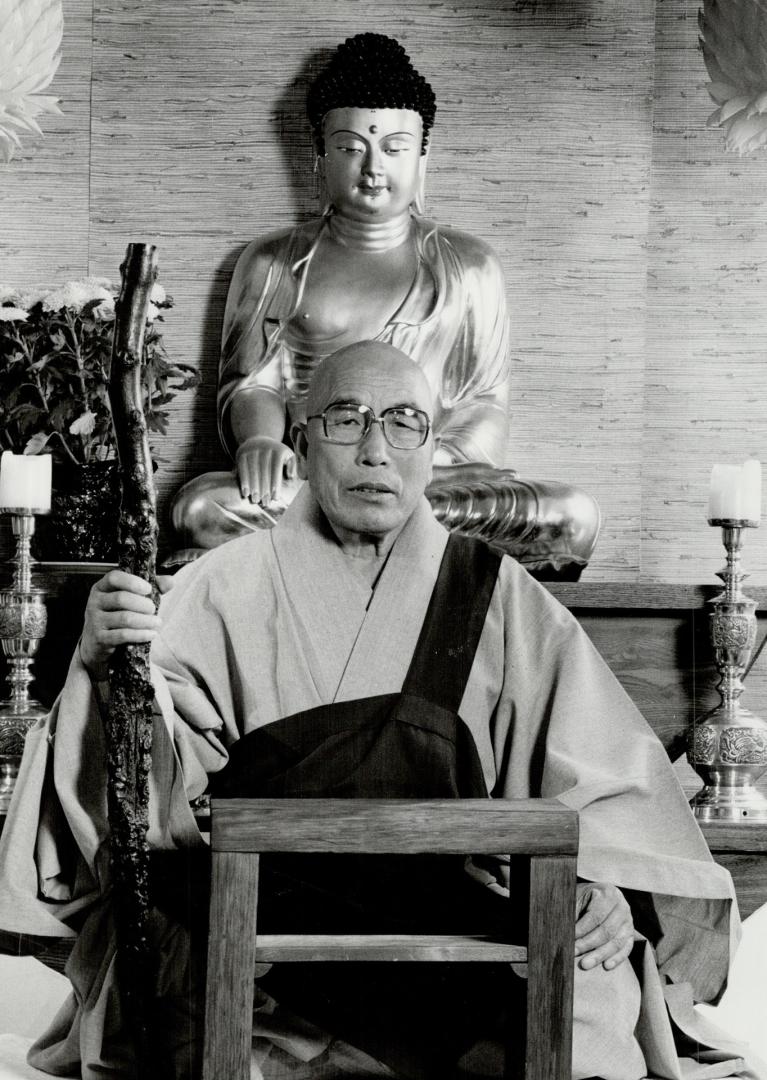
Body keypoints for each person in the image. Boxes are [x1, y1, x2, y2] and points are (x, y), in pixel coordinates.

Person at [0, 342, 760, 1080]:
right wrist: (103, 668)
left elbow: (606, 783)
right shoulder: (214, 586)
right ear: (297, 441)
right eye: (345, 418)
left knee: (592, 994)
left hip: (462, 910)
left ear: (434, 449)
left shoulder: (493, 592)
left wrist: (602, 888)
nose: (375, 449)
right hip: (261, 915)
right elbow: (142, 805)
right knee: (176, 990)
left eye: (403, 422)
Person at [170, 33, 601, 580]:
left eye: (395, 148)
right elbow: (252, 382)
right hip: (311, 479)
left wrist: (414, 462)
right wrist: (259, 440)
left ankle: (355, 536)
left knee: (569, 516)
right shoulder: (274, 262)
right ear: (318, 154)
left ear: (424, 156)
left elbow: (484, 404)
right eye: (351, 148)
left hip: (426, 480)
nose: (373, 168)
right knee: (202, 509)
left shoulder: (467, 265)